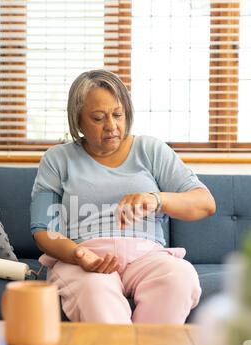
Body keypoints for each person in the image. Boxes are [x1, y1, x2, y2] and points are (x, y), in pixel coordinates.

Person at [30, 69, 216, 324]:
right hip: (86, 258)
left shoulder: (150, 150)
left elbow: (205, 203)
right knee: (94, 292)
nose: (111, 126)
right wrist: (78, 256)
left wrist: (155, 199)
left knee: (179, 277)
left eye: (118, 115)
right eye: (98, 118)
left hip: (148, 257)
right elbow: (43, 230)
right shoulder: (58, 159)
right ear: (78, 121)